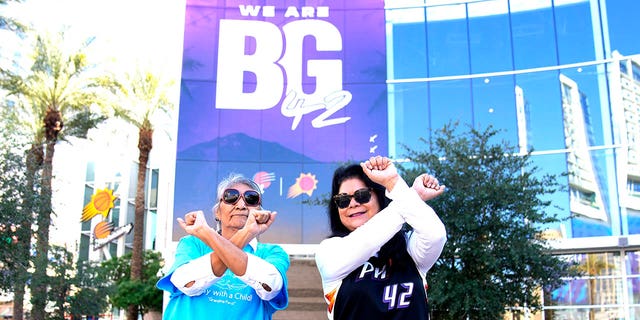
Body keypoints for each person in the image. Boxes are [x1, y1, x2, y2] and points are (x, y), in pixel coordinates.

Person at [315, 156, 447, 320]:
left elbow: (436, 235)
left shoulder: (408, 247)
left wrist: (393, 182)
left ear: (379, 197)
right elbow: (367, 241)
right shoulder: (329, 251)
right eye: (343, 200)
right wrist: (411, 195)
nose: (353, 203)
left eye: (362, 195)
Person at [157, 173, 289, 320]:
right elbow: (186, 283)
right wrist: (245, 234)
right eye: (231, 197)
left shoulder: (272, 253)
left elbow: (270, 286)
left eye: (251, 199)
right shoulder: (192, 243)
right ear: (217, 212)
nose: (241, 205)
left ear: (260, 211)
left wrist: (207, 233)